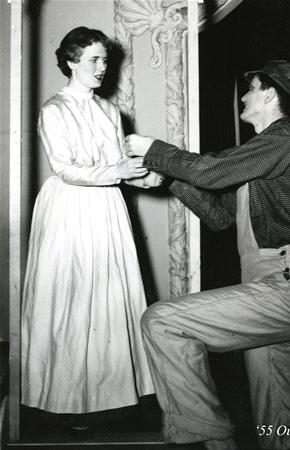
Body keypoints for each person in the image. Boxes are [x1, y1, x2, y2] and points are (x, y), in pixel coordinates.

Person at [125, 60, 290, 449]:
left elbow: (210, 172)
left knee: (162, 321)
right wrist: (172, 177)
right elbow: (220, 217)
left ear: (270, 95)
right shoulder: (264, 155)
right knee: (279, 434)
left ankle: (213, 438)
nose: (244, 96)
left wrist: (153, 151)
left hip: (285, 283)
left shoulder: (285, 138)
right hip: (277, 285)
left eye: (251, 88)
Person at [21, 27, 162, 420]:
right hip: (69, 209)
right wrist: (118, 170)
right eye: (93, 60)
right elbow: (65, 168)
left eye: (105, 60)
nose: (102, 68)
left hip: (106, 207)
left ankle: (109, 399)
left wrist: (149, 176)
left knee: (107, 296)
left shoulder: (110, 110)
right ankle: (63, 399)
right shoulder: (54, 109)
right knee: (71, 297)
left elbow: (120, 163)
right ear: (70, 62)